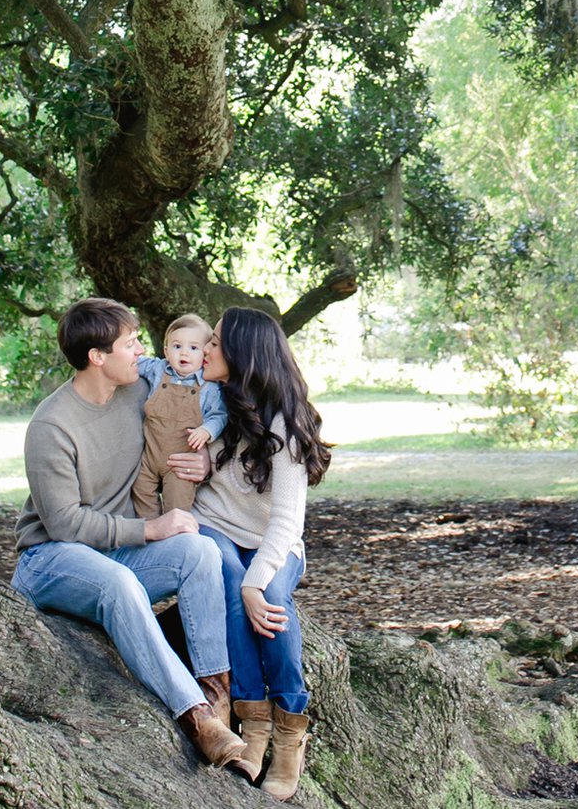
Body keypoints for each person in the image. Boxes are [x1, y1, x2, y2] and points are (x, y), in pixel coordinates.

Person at [10, 297, 247, 770]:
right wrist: (151, 527)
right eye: (130, 343)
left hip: (117, 550)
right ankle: (196, 717)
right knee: (117, 584)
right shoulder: (51, 425)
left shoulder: (141, 389)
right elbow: (64, 523)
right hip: (51, 558)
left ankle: (217, 697)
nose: (142, 350)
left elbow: (191, 413)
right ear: (98, 357)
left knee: (200, 553)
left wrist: (205, 457)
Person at [194, 307, 331, 802]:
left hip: (274, 542)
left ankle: (290, 732)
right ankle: (253, 726)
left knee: (267, 592)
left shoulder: (284, 421)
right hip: (216, 527)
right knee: (228, 577)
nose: (205, 349)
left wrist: (257, 582)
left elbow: (287, 522)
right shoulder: (213, 402)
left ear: (243, 353)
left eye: (214, 342)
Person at [132, 314, 228, 519]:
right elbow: (134, 362)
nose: (184, 352)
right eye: (177, 346)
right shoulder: (157, 370)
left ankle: (175, 536)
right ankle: (150, 531)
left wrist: (206, 431)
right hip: (150, 456)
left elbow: (219, 415)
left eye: (193, 348)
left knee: (177, 503)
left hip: (180, 461)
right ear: (166, 350)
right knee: (140, 490)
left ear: (205, 354)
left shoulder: (208, 387)